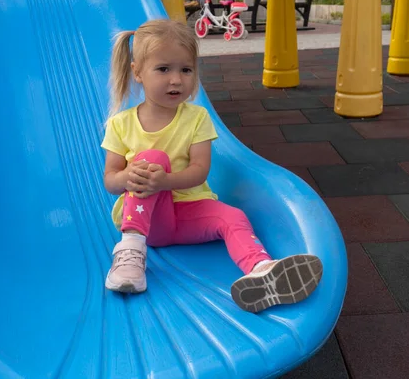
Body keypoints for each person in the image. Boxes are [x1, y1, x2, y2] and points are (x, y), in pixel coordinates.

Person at [100, 19, 323, 313]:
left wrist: (165, 181)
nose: (176, 80)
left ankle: (261, 270)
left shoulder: (196, 118)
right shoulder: (121, 124)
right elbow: (111, 180)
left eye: (186, 69)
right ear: (137, 72)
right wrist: (130, 176)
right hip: (148, 223)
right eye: (163, 69)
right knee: (152, 159)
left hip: (188, 214)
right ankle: (130, 252)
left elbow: (199, 172)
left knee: (232, 216)